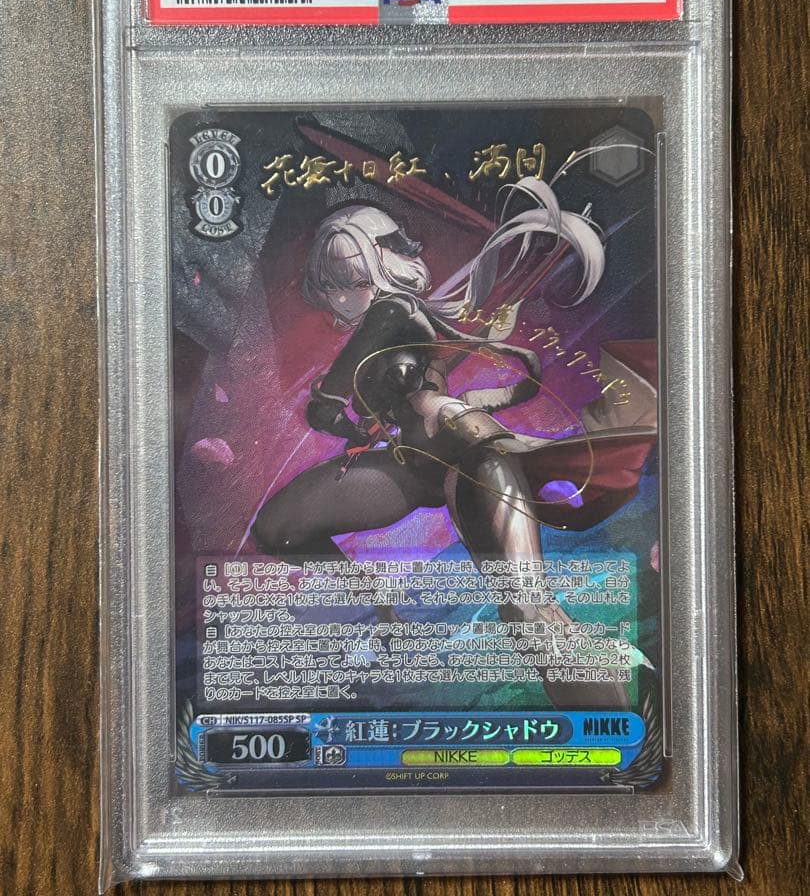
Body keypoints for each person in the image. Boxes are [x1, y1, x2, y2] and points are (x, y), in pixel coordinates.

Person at [252, 182, 655, 708]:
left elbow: (327, 401)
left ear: (371, 264)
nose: (341, 293)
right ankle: (377, 600)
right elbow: (498, 359)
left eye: (347, 277)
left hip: (469, 459)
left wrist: (462, 402)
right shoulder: (409, 318)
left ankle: (614, 732)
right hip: (412, 463)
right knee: (278, 529)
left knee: (529, 613)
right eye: (332, 281)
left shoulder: (394, 309)